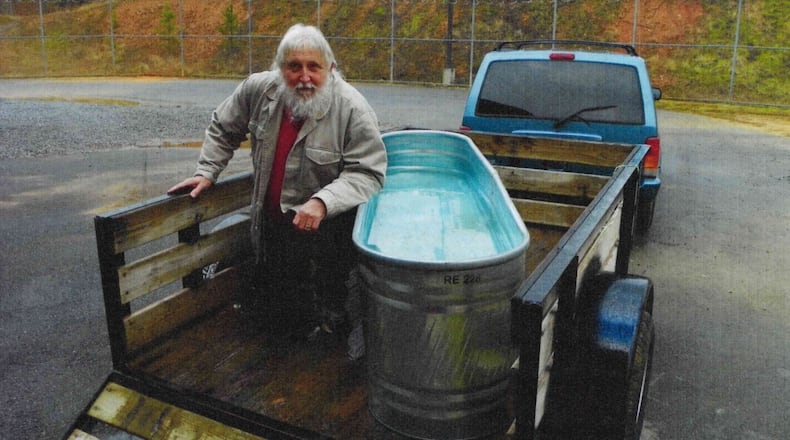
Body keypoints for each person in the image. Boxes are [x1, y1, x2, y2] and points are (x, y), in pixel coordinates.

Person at [168, 24, 387, 343]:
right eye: (294, 67)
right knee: (278, 325)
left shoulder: (353, 109)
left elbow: (368, 172)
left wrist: (323, 201)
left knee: (325, 324)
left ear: (331, 69)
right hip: (270, 232)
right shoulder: (258, 90)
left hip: (323, 239)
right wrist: (207, 171)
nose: (304, 77)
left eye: (314, 67)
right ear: (280, 68)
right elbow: (222, 127)